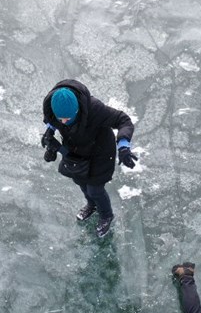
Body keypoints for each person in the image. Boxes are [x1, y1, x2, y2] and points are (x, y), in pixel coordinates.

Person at [41, 79, 137, 238]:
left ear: (78, 109)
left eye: (68, 118)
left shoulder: (95, 109)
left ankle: (106, 215)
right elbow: (51, 120)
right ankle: (91, 205)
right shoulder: (51, 108)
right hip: (76, 152)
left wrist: (124, 145)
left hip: (100, 153)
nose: (64, 122)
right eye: (60, 119)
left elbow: (123, 120)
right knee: (81, 183)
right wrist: (50, 131)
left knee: (95, 189)